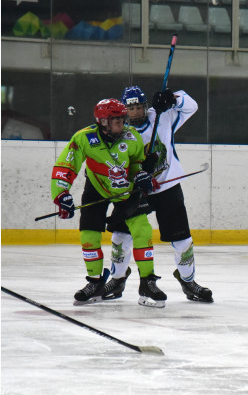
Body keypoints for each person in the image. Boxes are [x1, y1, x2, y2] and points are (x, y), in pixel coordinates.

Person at [50, 99, 165, 307]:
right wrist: (61, 194)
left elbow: (137, 164)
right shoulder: (83, 138)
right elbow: (65, 166)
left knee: (143, 230)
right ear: (103, 122)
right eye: (117, 121)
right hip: (96, 189)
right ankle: (95, 282)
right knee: (88, 234)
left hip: (126, 191)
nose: (122, 125)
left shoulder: (132, 137)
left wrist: (140, 175)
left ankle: (148, 282)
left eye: (123, 120)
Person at [103, 85, 213, 303]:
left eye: (139, 107)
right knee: (121, 236)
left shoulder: (162, 116)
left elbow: (192, 106)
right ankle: (117, 278)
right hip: (135, 190)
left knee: (182, 239)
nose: (135, 112)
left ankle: (188, 281)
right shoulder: (120, 132)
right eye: (130, 108)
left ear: (146, 106)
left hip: (167, 188)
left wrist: (172, 98)